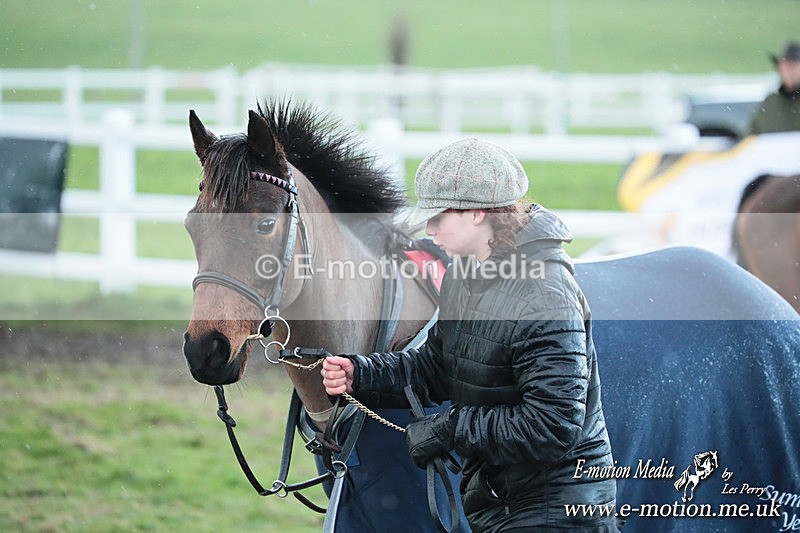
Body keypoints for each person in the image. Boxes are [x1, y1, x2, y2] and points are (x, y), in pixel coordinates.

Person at [322, 138, 619, 532]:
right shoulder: (465, 274)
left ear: (477, 212)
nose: (428, 230)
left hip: (557, 510)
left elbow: (553, 425)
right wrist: (361, 374)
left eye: (438, 216)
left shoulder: (545, 293)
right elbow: (436, 368)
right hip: (500, 505)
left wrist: (448, 429)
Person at [749, 40, 800, 134]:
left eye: (793, 65)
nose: (788, 71)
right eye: (785, 66)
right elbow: (752, 137)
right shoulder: (769, 103)